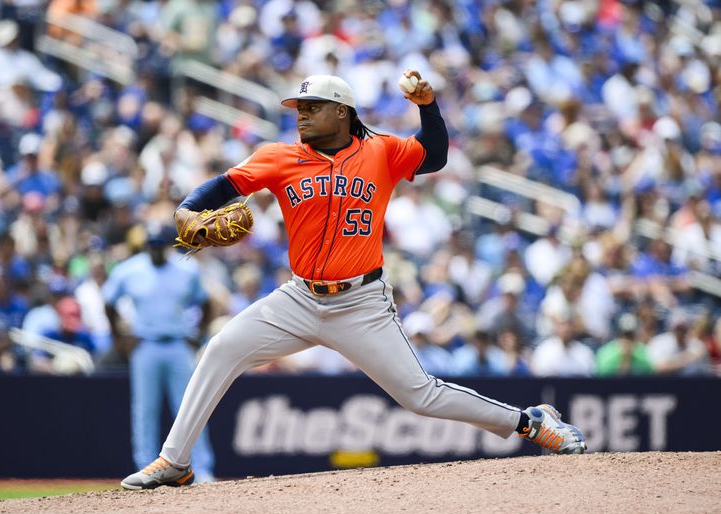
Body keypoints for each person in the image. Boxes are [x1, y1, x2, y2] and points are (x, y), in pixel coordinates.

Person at [121, 72, 586, 490]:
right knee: (221, 349)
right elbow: (222, 187)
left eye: (312, 107)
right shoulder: (279, 157)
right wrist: (186, 209)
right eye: (298, 108)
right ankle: (175, 461)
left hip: (361, 302)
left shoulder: (381, 151)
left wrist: (427, 105)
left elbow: (436, 156)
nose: (301, 115)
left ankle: (530, 422)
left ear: (342, 112)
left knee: (419, 394)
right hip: (299, 298)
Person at [104, 224, 216, 484]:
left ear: (167, 246)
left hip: (178, 343)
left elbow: (206, 302)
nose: (154, 250)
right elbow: (108, 302)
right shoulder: (130, 269)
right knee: (145, 410)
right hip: (145, 345)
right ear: (146, 246)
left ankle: (202, 468)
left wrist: (197, 336)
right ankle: (145, 467)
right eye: (150, 245)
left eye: (158, 245)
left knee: (191, 407)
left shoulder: (186, 268)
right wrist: (120, 338)